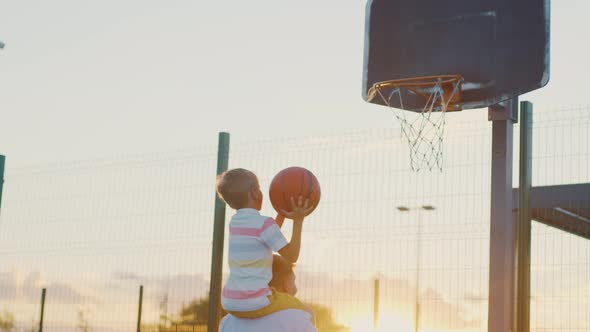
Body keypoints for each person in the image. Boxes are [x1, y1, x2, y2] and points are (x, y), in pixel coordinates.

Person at [216, 168, 314, 318]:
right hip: (255, 301)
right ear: (255, 192)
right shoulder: (264, 224)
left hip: (230, 301)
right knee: (306, 313)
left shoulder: (235, 223)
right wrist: (298, 221)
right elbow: (292, 256)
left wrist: (281, 215)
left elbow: (264, 238)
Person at [219, 255, 317, 332]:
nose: (296, 290)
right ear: (286, 285)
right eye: (293, 281)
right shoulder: (298, 317)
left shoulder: (227, 322)